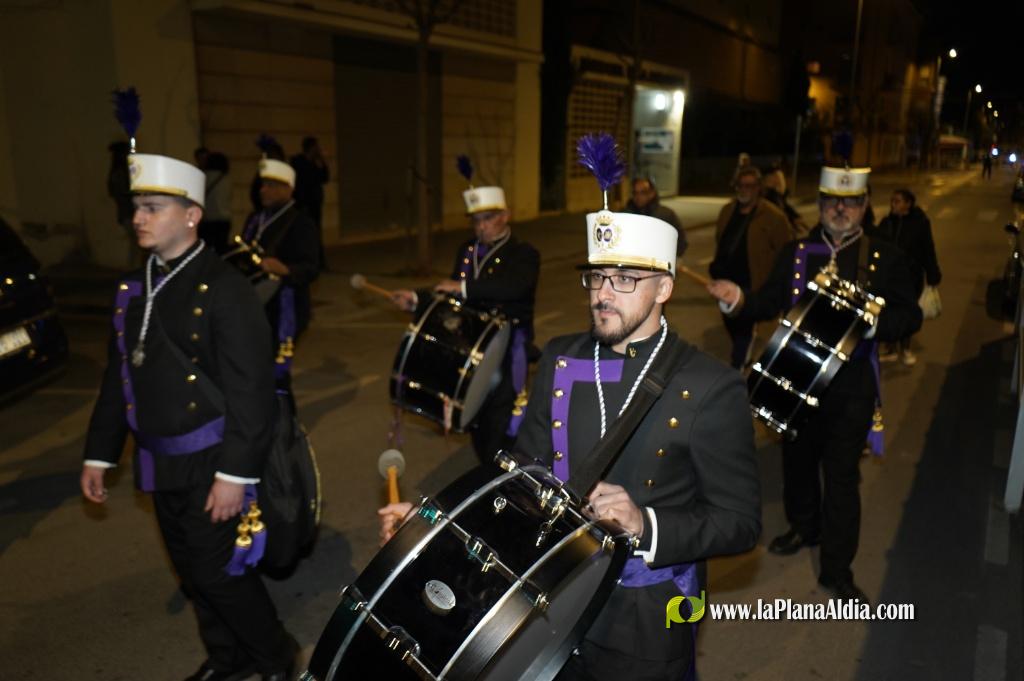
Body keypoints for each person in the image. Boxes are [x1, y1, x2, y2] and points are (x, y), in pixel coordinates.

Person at [382, 203, 760, 680]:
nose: (604, 293)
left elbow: (740, 522)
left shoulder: (711, 386)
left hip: (643, 617)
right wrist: (434, 524)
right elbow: (517, 477)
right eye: (597, 277)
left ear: (664, 288)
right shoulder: (562, 357)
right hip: (551, 602)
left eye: (625, 279)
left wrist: (645, 523)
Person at [81, 149, 295, 681]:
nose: (138, 218)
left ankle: (276, 657)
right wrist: (100, 454)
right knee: (192, 572)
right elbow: (120, 375)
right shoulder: (133, 287)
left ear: (192, 215)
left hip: (212, 458)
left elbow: (252, 392)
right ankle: (228, 658)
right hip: (158, 460)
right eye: (137, 208)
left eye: (153, 208)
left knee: (219, 572)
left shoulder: (225, 288)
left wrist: (235, 474)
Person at [708, 166, 922, 603]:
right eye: (831, 201)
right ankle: (804, 526)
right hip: (795, 381)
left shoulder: (884, 256)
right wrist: (738, 299)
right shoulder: (796, 252)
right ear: (821, 204)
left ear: (864, 205)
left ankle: (836, 569)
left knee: (841, 478)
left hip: (851, 389)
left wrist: (872, 325)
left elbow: (911, 315)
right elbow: (768, 300)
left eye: (850, 202)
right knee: (797, 463)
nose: (840, 209)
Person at [391, 183, 540, 463]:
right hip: (473, 347)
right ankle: (488, 470)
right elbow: (451, 294)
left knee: (500, 426)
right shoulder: (467, 250)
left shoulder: (523, 254)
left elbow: (512, 288)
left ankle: (503, 477)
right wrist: (417, 299)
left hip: (508, 350)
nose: (481, 226)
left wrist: (464, 288)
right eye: (476, 220)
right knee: (476, 422)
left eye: (488, 218)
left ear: (505, 215)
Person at [240, 158, 321, 390]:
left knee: (276, 370)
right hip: (256, 302)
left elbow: (311, 267)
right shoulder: (255, 219)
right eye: (263, 185)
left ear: (288, 189)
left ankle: (282, 409)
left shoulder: (301, 223)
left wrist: (285, 269)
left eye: (271, 185)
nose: (263, 190)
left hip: (285, 308)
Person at [708, 166, 793, 369]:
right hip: (727, 280)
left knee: (744, 327)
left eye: (750, 186)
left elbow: (786, 250)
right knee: (730, 321)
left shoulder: (773, 217)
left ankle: (739, 364)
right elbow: (720, 239)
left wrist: (775, 282)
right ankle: (741, 354)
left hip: (753, 284)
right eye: (740, 185)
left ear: (759, 188)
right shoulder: (727, 211)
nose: (744, 190)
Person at [873, 188, 942, 365]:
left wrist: (933, 274)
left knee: (907, 311)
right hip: (889, 277)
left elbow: (928, 249)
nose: (893, 205)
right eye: (892, 201)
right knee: (888, 310)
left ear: (908, 204)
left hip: (912, 276)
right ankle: (890, 348)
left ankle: (905, 348)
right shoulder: (887, 222)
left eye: (897, 201)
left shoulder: (920, 223)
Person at [290, 136, 330, 269]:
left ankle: (319, 261)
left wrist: (322, 162)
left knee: (316, 232)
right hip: (303, 205)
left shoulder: (315, 163)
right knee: (304, 234)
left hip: (315, 205)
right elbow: (300, 184)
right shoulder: (298, 163)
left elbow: (325, 178)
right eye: (316, 147)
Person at [623, 176, 688, 257]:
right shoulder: (626, 215)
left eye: (643, 192)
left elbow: (681, 241)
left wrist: (671, 258)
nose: (638, 196)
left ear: (652, 193)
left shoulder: (666, 215)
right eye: (635, 193)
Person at [107, 141, 139, 266]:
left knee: (135, 243)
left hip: (127, 212)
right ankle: (132, 268)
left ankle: (133, 267)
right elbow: (122, 195)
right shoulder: (120, 173)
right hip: (128, 212)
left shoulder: (119, 172)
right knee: (135, 242)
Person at [197, 149, 232, 254]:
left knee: (205, 250)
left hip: (207, 220)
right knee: (221, 250)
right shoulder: (226, 179)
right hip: (223, 220)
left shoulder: (203, 177)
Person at [762, 166, 809, 237]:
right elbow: (779, 214)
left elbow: (785, 207)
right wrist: (793, 222)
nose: (781, 182)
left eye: (781, 178)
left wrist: (796, 217)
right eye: (778, 178)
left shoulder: (776, 195)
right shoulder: (768, 197)